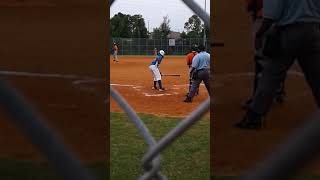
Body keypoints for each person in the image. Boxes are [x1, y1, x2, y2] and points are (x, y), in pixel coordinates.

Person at [235, 0, 320, 129]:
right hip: (313, 32)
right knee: (316, 77)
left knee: (270, 76)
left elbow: (271, 16)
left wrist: (260, 34)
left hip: (289, 33)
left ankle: (254, 117)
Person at [242, 0, 286, 109]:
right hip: (281, 23)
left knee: (260, 60)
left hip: (263, 22)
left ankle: (257, 99)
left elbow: (250, 6)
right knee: (276, 57)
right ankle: (279, 90)